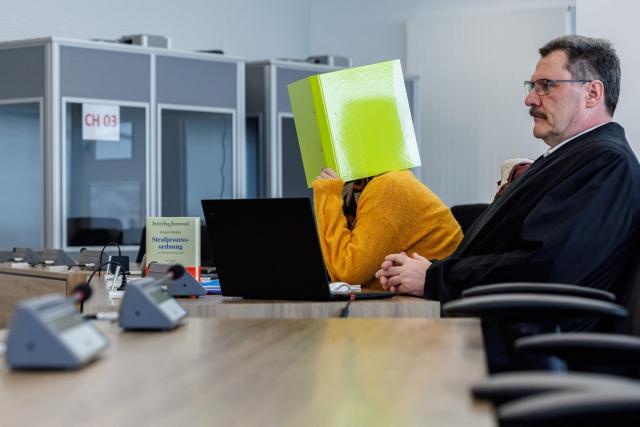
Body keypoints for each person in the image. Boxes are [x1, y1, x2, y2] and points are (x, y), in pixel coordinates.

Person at [375, 35, 640, 312]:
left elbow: (546, 266)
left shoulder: (607, 163)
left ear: (592, 94)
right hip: (490, 318)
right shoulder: (574, 156)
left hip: (519, 337)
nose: (529, 99)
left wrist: (434, 278)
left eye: (545, 86)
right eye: (533, 86)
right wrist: (429, 270)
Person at [313, 167, 462, 289]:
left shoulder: (389, 186)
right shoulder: (386, 182)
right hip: (418, 307)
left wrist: (328, 195)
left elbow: (348, 273)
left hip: (437, 312)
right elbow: (340, 277)